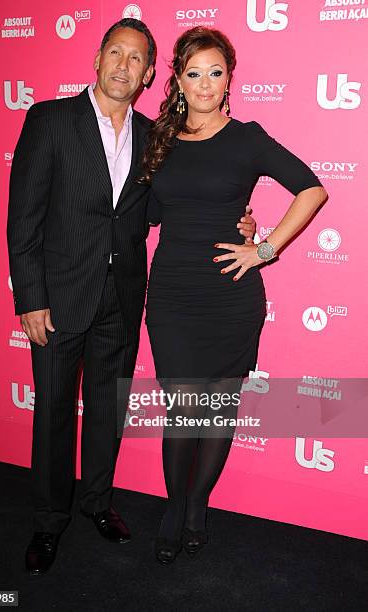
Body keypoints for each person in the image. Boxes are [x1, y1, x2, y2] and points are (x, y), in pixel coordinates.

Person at [7, 18, 256, 575]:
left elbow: (167, 210)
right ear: (97, 60)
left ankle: (97, 503)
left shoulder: (153, 137)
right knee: (51, 412)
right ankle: (49, 521)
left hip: (122, 299)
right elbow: (22, 216)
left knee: (105, 412)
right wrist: (30, 297)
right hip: (58, 297)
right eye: (115, 53)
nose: (124, 65)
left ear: (148, 74)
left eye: (137, 58)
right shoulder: (49, 120)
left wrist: (237, 222)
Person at [140, 27, 327, 564]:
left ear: (229, 80)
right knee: (183, 410)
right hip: (173, 293)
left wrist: (263, 247)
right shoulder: (159, 138)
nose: (204, 84)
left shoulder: (247, 137)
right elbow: (150, 214)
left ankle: (197, 507)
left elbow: (312, 188)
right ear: (177, 79)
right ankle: (175, 508)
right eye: (193, 72)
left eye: (215, 72)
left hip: (230, 293)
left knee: (219, 408)